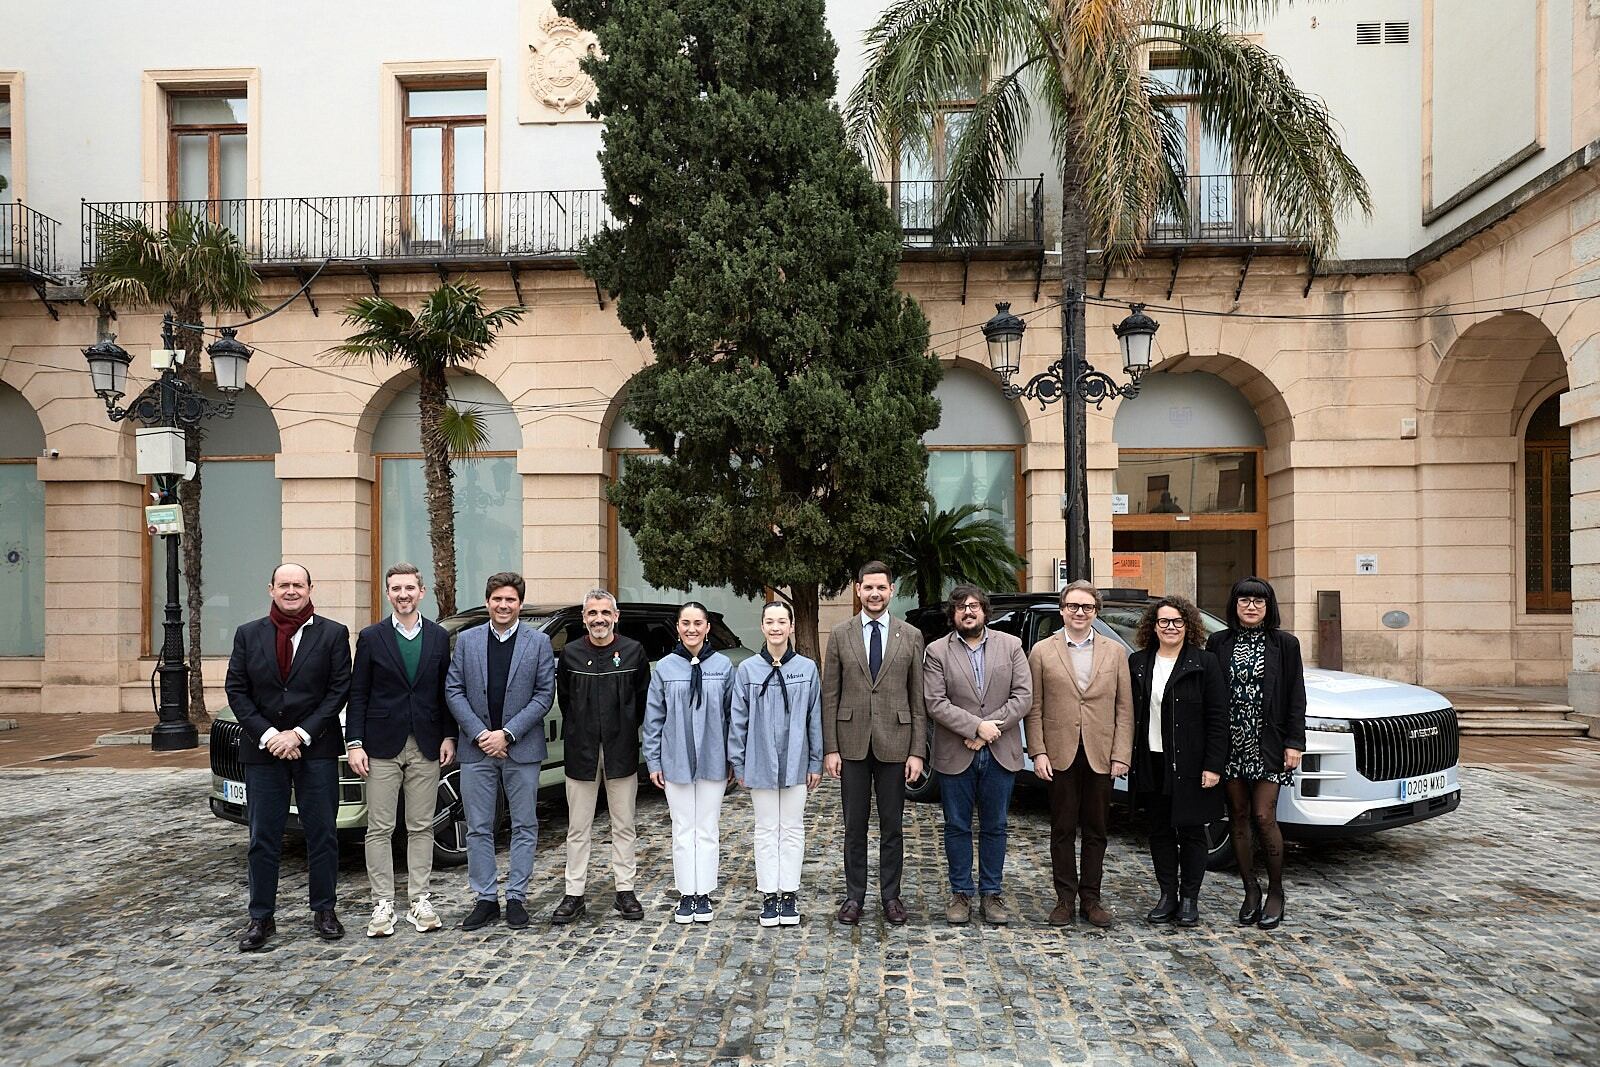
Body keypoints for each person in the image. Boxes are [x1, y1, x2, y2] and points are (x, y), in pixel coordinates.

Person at [225, 562, 352, 952]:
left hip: (316, 747)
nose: (291, 590)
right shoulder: (249, 634)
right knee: (262, 837)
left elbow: (338, 691)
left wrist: (298, 734)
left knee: (322, 835)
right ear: (271, 589)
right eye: (284, 585)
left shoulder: (333, 634)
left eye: (299, 584)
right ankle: (261, 916)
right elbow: (237, 690)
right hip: (264, 752)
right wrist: (269, 735)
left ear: (311, 588)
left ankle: (324, 910)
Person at [346, 563, 456, 938]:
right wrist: (354, 742)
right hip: (380, 745)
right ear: (388, 594)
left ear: (421, 592)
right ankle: (382, 903)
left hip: (426, 743)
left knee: (421, 825)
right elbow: (357, 693)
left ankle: (419, 899)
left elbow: (446, 693)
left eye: (410, 588)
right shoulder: (372, 637)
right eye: (396, 588)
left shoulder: (439, 637)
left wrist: (448, 735)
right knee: (379, 826)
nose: (403, 594)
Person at [445, 572, 556, 933]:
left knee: (525, 825)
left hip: (521, 749)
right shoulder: (467, 640)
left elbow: (543, 695)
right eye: (497, 599)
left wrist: (506, 734)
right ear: (488, 601)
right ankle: (486, 898)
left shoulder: (538, 642)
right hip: (476, 750)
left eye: (510, 599)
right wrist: (480, 735)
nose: (503, 605)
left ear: (520, 604)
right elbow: (454, 690)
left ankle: (517, 898)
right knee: (478, 827)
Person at [821, 560, 926, 926]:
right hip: (851, 744)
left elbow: (918, 699)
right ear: (857, 589)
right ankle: (854, 897)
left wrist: (916, 751)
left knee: (892, 826)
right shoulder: (840, 634)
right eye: (868, 587)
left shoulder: (910, 636)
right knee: (854, 825)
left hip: (895, 744)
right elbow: (829, 694)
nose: (875, 594)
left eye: (881, 588)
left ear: (891, 590)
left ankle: (891, 896)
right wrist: (830, 748)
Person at [1024, 579, 1133, 928]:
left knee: (1097, 828)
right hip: (1059, 753)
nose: (1079, 612)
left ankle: (1091, 898)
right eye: (1073, 606)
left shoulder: (1114, 652)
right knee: (1062, 828)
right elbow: (1034, 706)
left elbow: (1124, 708)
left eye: (1087, 607)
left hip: (1101, 752)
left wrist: (1121, 753)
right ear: (1062, 610)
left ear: (1096, 612)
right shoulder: (1042, 651)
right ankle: (1064, 899)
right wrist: (1037, 751)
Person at [921, 584, 1031, 926]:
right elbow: (935, 702)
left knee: (995, 826)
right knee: (956, 825)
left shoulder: (1011, 646)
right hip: (956, 752)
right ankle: (960, 894)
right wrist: (975, 728)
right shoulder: (937, 651)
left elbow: (1023, 695)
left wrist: (987, 730)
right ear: (953, 615)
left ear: (986, 611)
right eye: (961, 608)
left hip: (999, 751)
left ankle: (992, 894)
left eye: (974, 607)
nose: (968, 612)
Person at [1206, 576, 1306, 931]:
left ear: (1268, 607)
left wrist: (1295, 742)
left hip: (1270, 745)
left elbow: (1296, 696)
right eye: (1245, 600)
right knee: (1237, 816)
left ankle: (1276, 891)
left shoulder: (1285, 644)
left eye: (1259, 601)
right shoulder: (1218, 642)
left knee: (1264, 817)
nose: (1251, 606)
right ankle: (1250, 890)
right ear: (1234, 605)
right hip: (1230, 743)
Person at [1126, 595, 1229, 928]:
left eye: (1177, 622)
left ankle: (1189, 899)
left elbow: (1218, 718)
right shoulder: (1139, 662)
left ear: (1188, 626)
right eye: (1163, 621)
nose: (1170, 627)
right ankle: (1167, 895)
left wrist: (1213, 766)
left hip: (1192, 764)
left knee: (1192, 832)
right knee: (1159, 832)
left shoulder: (1205, 663)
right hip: (1151, 761)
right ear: (1153, 626)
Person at [551, 589, 651, 924]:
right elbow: (566, 701)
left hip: (621, 752)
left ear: (616, 616)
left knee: (624, 825)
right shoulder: (571, 654)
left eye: (605, 613)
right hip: (581, 754)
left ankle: (625, 890)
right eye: (592, 613)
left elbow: (640, 701)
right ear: (584, 618)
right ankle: (574, 894)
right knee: (578, 828)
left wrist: (620, 731)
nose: (599, 619)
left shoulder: (633, 652)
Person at [729, 600, 823, 928]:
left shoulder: (807, 670)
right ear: (762, 626)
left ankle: (790, 892)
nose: (776, 627)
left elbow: (815, 718)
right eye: (770, 621)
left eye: (782, 621)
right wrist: (739, 763)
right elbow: (738, 720)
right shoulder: (749, 670)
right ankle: (769, 893)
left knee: (793, 828)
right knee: (767, 828)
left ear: (792, 627)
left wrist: (815, 762)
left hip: (796, 760)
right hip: (759, 760)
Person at [644, 601, 735, 924]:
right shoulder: (665, 668)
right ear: (678, 627)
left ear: (708, 627)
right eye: (686, 623)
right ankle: (687, 893)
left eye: (698, 623)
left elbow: (731, 716)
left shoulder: (723, 667)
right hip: (676, 759)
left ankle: (705, 892)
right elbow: (654, 718)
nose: (692, 629)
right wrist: (653, 760)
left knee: (707, 827)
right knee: (683, 828)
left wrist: (733, 759)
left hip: (713, 759)